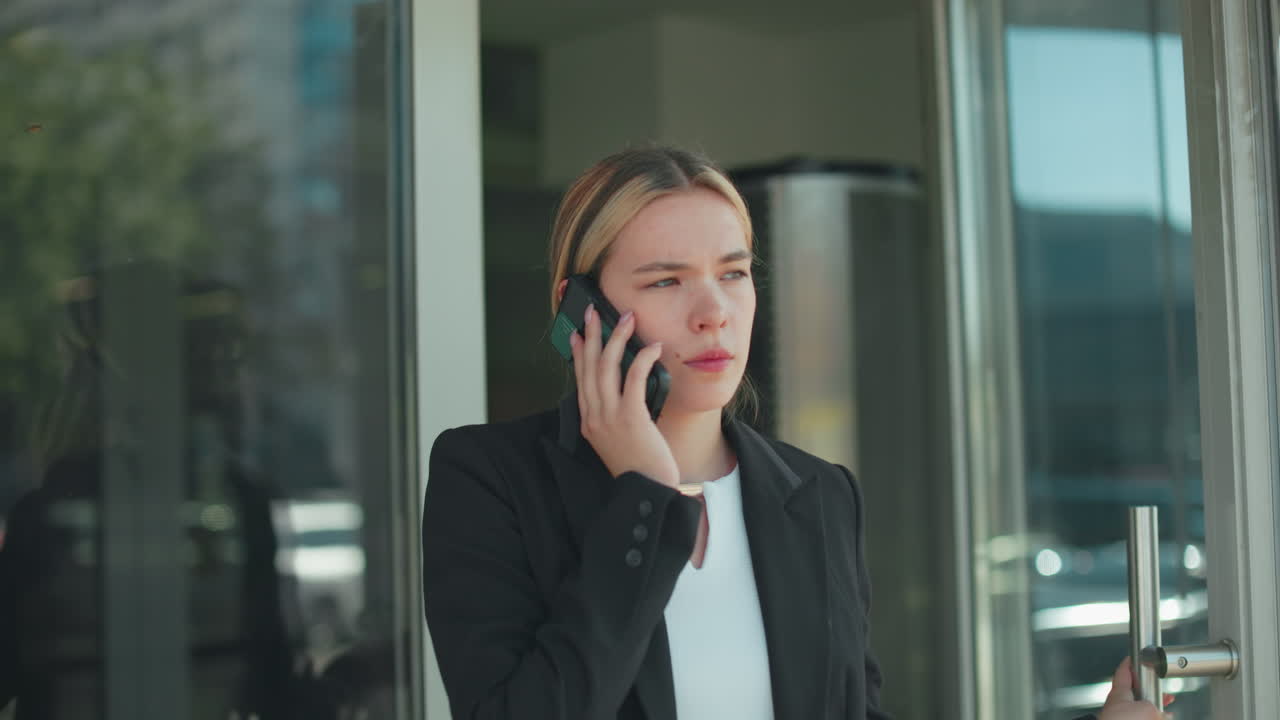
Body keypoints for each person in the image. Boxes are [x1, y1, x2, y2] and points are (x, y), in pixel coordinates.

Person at [420, 145, 1163, 720]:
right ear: (580, 309)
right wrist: (644, 500)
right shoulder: (489, 478)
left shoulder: (818, 494)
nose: (714, 310)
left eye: (733, 273)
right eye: (666, 280)